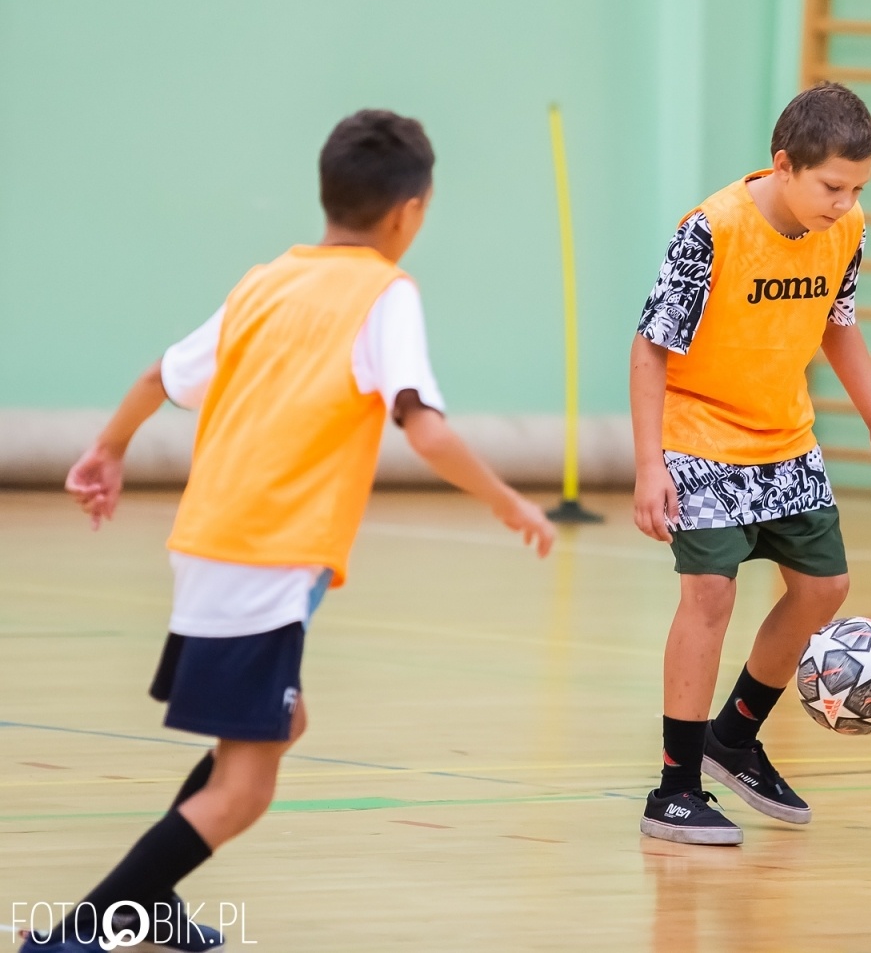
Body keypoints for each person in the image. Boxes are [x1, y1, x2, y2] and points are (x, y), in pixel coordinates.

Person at [32, 110, 554, 952]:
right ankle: (75, 935)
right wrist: (507, 500)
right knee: (245, 789)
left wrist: (106, 449)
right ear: (409, 212)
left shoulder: (265, 281)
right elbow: (422, 425)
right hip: (264, 558)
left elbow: (159, 376)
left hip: (212, 543)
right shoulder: (386, 294)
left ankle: (150, 897)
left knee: (282, 726)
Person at [630, 81, 871, 845]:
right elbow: (650, 346)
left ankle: (735, 737)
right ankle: (676, 788)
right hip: (698, 435)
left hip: (783, 435)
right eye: (831, 185)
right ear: (783, 165)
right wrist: (648, 464)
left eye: (857, 187)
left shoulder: (846, 226)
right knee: (711, 597)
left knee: (825, 586)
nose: (843, 201)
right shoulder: (711, 229)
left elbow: (838, 324)